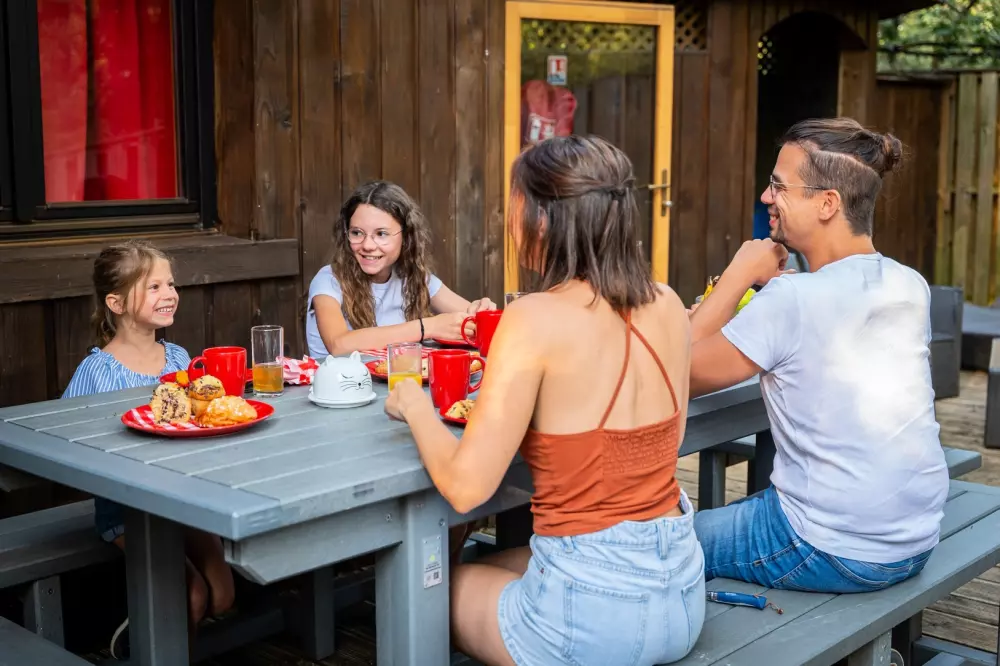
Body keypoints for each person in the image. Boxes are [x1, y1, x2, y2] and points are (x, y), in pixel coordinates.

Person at [384, 135, 705, 666]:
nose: (510, 224)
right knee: (499, 563)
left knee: (424, 586)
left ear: (542, 219)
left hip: (589, 622)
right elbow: (657, 445)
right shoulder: (668, 303)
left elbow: (465, 488)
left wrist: (413, 403)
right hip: (680, 593)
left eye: (514, 206)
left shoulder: (532, 318)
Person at [689, 117, 949, 594]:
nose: (766, 197)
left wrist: (740, 272)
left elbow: (673, 374)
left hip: (828, 545)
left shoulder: (793, 301)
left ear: (828, 203)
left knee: (658, 547)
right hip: (914, 537)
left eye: (778, 186)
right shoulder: (908, 284)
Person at [62, 240, 236, 659]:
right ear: (117, 303)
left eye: (170, 284)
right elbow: (63, 435)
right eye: (154, 287)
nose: (169, 293)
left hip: (182, 497)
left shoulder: (178, 358)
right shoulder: (97, 371)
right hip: (128, 510)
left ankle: (153, 623)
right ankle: (150, 635)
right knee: (192, 596)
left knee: (222, 596)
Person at [305, 180, 496, 359]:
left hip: (398, 381)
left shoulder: (415, 277)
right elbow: (338, 344)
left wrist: (482, 313)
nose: (367, 245)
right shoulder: (328, 280)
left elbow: (473, 320)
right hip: (341, 384)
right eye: (357, 233)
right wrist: (427, 328)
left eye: (381, 234)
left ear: (406, 237)